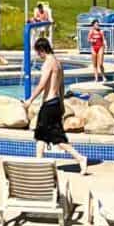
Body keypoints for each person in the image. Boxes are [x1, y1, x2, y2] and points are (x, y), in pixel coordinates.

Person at [25, 37, 88, 173]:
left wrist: (30, 99)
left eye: (38, 52)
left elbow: (42, 84)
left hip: (48, 104)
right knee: (43, 135)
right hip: (56, 103)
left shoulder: (49, 63)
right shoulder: (58, 63)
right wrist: (62, 104)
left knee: (54, 137)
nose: (38, 55)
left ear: (42, 50)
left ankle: (80, 158)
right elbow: (61, 85)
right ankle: (39, 164)